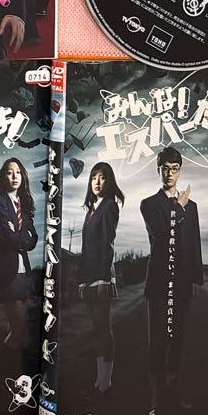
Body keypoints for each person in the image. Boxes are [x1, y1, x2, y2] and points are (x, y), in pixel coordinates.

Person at [141, 146, 203, 415]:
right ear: (158, 169)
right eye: (165, 168)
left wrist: (196, 278)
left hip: (182, 283)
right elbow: (162, 235)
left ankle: (173, 394)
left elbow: (193, 244)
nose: (169, 174)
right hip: (158, 282)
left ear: (180, 170)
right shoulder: (148, 204)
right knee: (158, 342)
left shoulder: (192, 206)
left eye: (174, 169)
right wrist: (179, 207)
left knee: (177, 340)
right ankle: (156, 400)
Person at [0, 158, 39, 383]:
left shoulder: (23, 204)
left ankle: (18, 380)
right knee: (17, 332)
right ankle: (0, 380)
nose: (14, 176)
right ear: (2, 177)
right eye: (9, 172)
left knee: (22, 332)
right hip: (7, 271)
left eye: (18, 172)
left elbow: (33, 238)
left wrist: (20, 235)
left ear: (23, 176)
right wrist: (21, 236)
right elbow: (9, 237)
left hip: (23, 271)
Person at [79, 163, 124, 398]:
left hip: (102, 276)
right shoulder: (91, 209)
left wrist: (104, 279)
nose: (97, 182)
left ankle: (106, 383)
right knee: (97, 330)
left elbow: (108, 244)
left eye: (103, 177)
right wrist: (82, 281)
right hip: (89, 277)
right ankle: (99, 380)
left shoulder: (109, 206)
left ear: (110, 181)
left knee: (104, 329)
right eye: (94, 177)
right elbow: (86, 248)